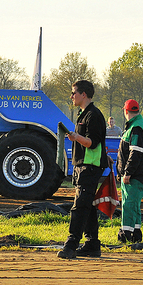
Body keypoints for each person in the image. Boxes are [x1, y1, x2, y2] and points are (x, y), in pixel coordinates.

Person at [58, 80, 108, 259]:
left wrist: (75, 136)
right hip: (83, 166)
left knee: (79, 206)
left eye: (74, 93)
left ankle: (71, 244)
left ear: (83, 94)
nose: (71, 96)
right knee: (88, 206)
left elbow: (91, 142)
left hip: (90, 166)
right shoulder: (83, 114)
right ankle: (92, 244)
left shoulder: (93, 115)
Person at [117, 99, 143, 243]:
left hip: (134, 177)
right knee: (134, 206)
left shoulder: (135, 128)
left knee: (128, 205)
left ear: (126, 111)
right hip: (137, 176)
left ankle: (125, 235)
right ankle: (136, 235)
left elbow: (135, 153)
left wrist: (127, 173)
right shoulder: (137, 126)